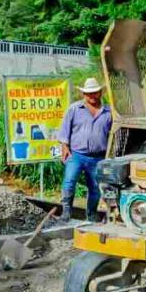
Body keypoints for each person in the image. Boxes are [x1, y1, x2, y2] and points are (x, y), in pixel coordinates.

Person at [57, 77, 112, 222]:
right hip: (76, 154)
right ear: (83, 94)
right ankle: (66, 211)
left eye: (94, 92)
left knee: (95, 187)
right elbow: (64, 130)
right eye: (88, 93)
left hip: (98, 157)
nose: (92, 96)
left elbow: (113, 134)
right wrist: (64, 146)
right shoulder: (75, 109)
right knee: (69, 181)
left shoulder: (108, 112)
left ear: (100, 92)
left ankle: (92, 214)